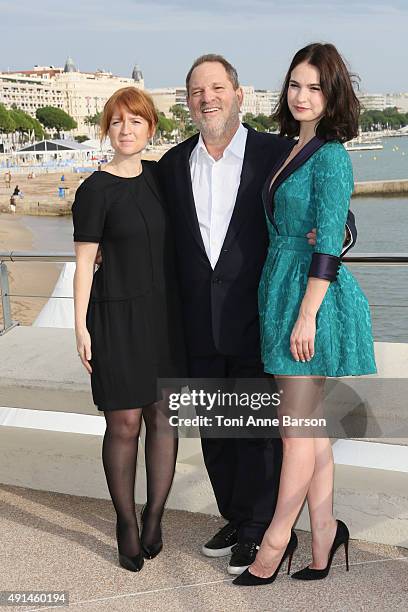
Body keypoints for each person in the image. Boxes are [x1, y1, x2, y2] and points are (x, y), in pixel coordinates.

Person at [157, 54, 358, 575]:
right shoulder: (174, 165)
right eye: (198, 91)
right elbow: (149, 225)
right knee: (216, 430)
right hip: (199, 318)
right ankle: (239, 516)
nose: (208, 99)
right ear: (188, 101)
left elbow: (331, 212)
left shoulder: (277, 151)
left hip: (263, 312)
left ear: (239, 94)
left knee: (266, 433)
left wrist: (342, 239)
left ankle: (262, 531)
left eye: (218, 87)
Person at [233, 43, 376, 587]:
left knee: (295, 434)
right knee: (311, 433)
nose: (301, 95)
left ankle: (273, 545)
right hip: (280, 288)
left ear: (332, 93)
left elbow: (330, 235)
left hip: (310, 298)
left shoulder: (333, 153)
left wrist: (307, 316)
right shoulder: (291, 149)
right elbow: (325, 220)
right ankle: (323, 536)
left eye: (314, 87)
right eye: (295, 84)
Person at [72, 86, 186, 573]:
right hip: (115, 317)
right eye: (117, 121)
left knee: (165, 418)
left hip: (167, 317)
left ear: (151, 129)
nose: (126, 130)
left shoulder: (164, 179)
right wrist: (79, 326)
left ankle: (154, 514)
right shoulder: (93, 190)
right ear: (107, 129)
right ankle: (125, 522)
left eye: (136, 121)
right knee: (123, 424)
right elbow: (82, 265)